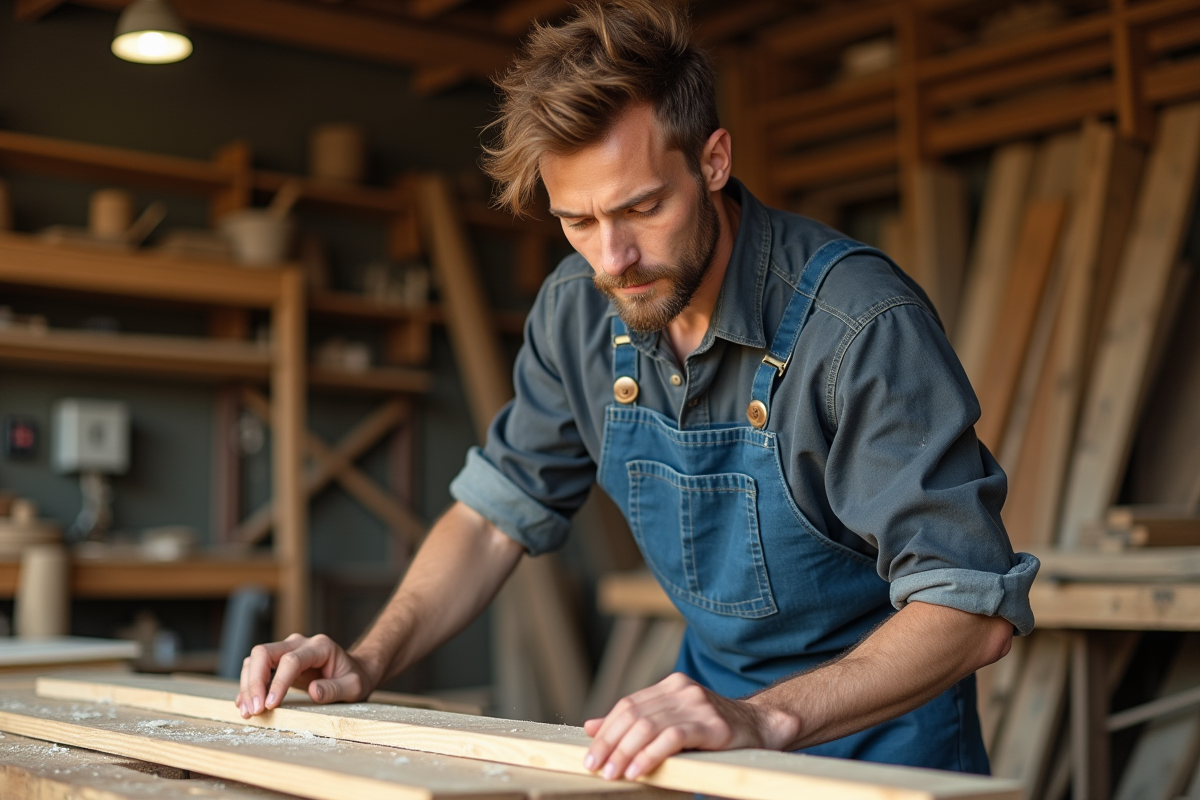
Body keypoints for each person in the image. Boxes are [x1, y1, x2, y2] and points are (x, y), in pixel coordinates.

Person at [236, 0, 1039, 779]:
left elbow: (968, 612)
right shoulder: (576, 312)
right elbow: (493, 517)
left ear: (713, 161)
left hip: (881, 744)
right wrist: (368, 659)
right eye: (577, 222)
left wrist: (764, 718)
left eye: (642, 207)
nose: (612, 259)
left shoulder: (858, 325)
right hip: (707, 736)